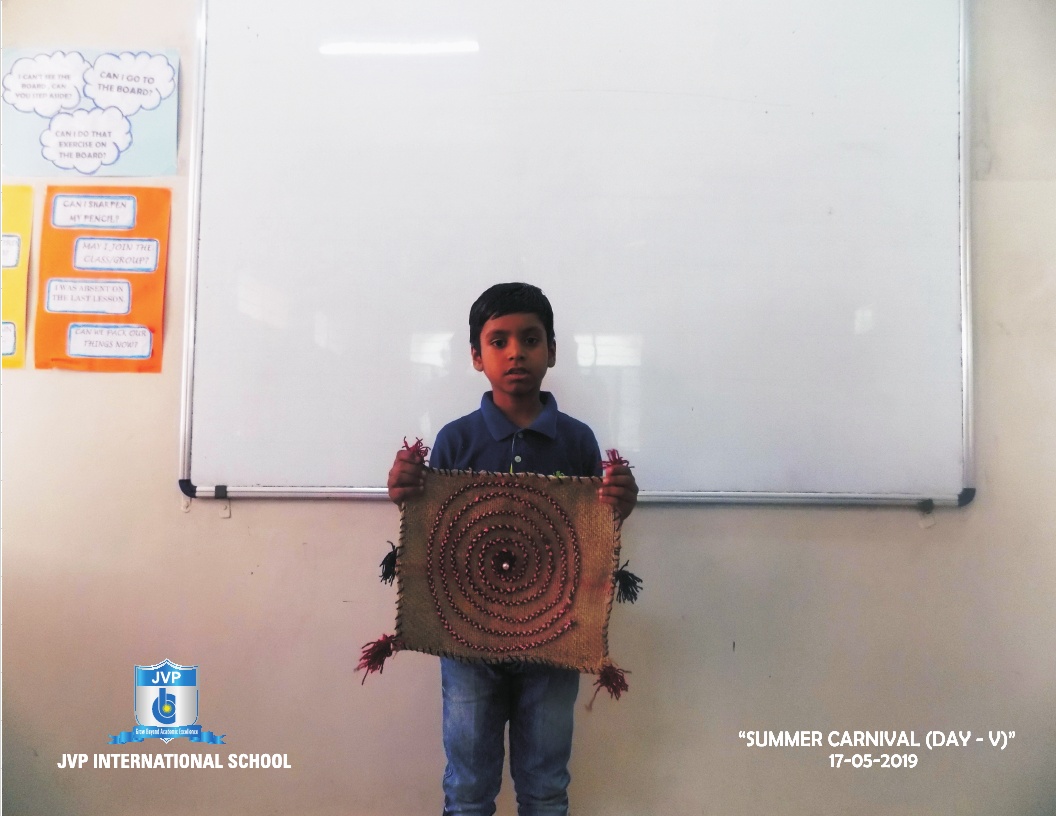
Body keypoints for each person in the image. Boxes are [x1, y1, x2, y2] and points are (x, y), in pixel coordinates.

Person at [387, 282, 638, 816]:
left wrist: (622, 502)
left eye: (530, 339)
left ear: (552, 350)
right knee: (468, 786)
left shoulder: (577, 440)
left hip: (556, 635)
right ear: (476, 357)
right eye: (498, 341)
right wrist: (405, 491)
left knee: (545, 785)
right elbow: (436, 533)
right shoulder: (455, 439)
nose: (515, 352)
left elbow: (595, 532)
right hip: (466, 636)